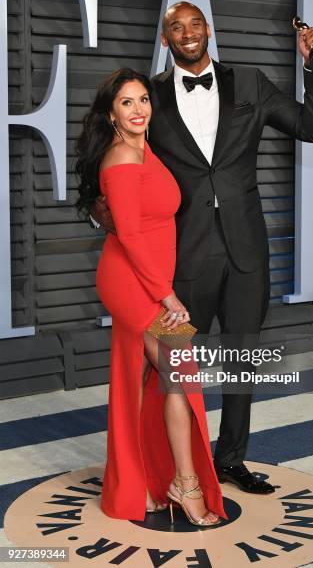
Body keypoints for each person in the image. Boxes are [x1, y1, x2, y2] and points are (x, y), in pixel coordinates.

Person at [89, 2, 313, 494]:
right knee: (170, 367)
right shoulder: (147, 97)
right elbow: (112, 169)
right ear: (165, 40)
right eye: (176, 27)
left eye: (195, 24)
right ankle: (158, 468)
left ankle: (230, 460)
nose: (188, 33)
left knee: (243, 357)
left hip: (247, 251)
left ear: (208, 30)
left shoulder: (250, 82)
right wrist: (105, 213)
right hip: (178, 258)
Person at [75, 68, 227, 526]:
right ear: (110, 113)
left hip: (151, 280)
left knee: (162, 380)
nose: (139, 109)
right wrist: (166, 296)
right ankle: (184, 483)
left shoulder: (144, 150)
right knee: (179, 376)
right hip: (133, 283)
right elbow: (132, 237)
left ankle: (147, 481)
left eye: (143, 99)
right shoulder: (120, 158)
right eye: (127, 102)